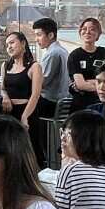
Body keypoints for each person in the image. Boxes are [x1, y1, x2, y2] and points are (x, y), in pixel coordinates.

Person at [0, 31, 46, 164]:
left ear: (23, 43)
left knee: (30, 152)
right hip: (8, 112)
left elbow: (35, 95)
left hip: (28, 112)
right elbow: (2, 88)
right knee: (10, 153)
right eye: (7, 44)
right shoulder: (5, 65)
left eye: (12, 42)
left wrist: (25, 117)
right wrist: (5, 97)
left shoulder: (35, 66)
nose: (9, 47)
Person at [31, 17, 70, 161]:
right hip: (60, 103)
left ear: (51, 35)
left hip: (50, 103)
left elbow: (42, 82)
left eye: (39, 35)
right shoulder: (63, 51)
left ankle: (37, 159)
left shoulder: (52, 54)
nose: (36, 39)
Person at [67, 17, 105, 111]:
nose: (87, 32)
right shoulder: (75, 55)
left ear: (98, 34)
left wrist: (89, 82)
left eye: (92, 29)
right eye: (84, 29)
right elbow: (80, 85)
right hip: (81, 104)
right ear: (80, 32)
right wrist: (100, 85)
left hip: (103, 103)